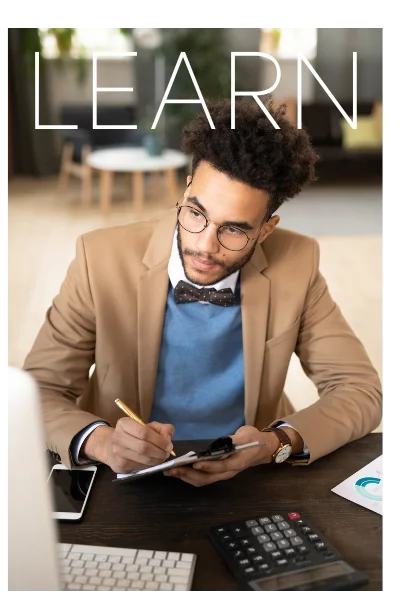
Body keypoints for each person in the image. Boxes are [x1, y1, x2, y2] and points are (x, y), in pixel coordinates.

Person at [23, 97, 383, 487]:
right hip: (121, 478)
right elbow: (38, 390)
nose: (205, 246)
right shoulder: (99, 258)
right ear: (188, 186)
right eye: (196, 213)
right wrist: (102, 442)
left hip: (247, 476)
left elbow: (360, 390)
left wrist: (275, 443)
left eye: (234, 229)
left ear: (265, 229)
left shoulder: (298, 263)